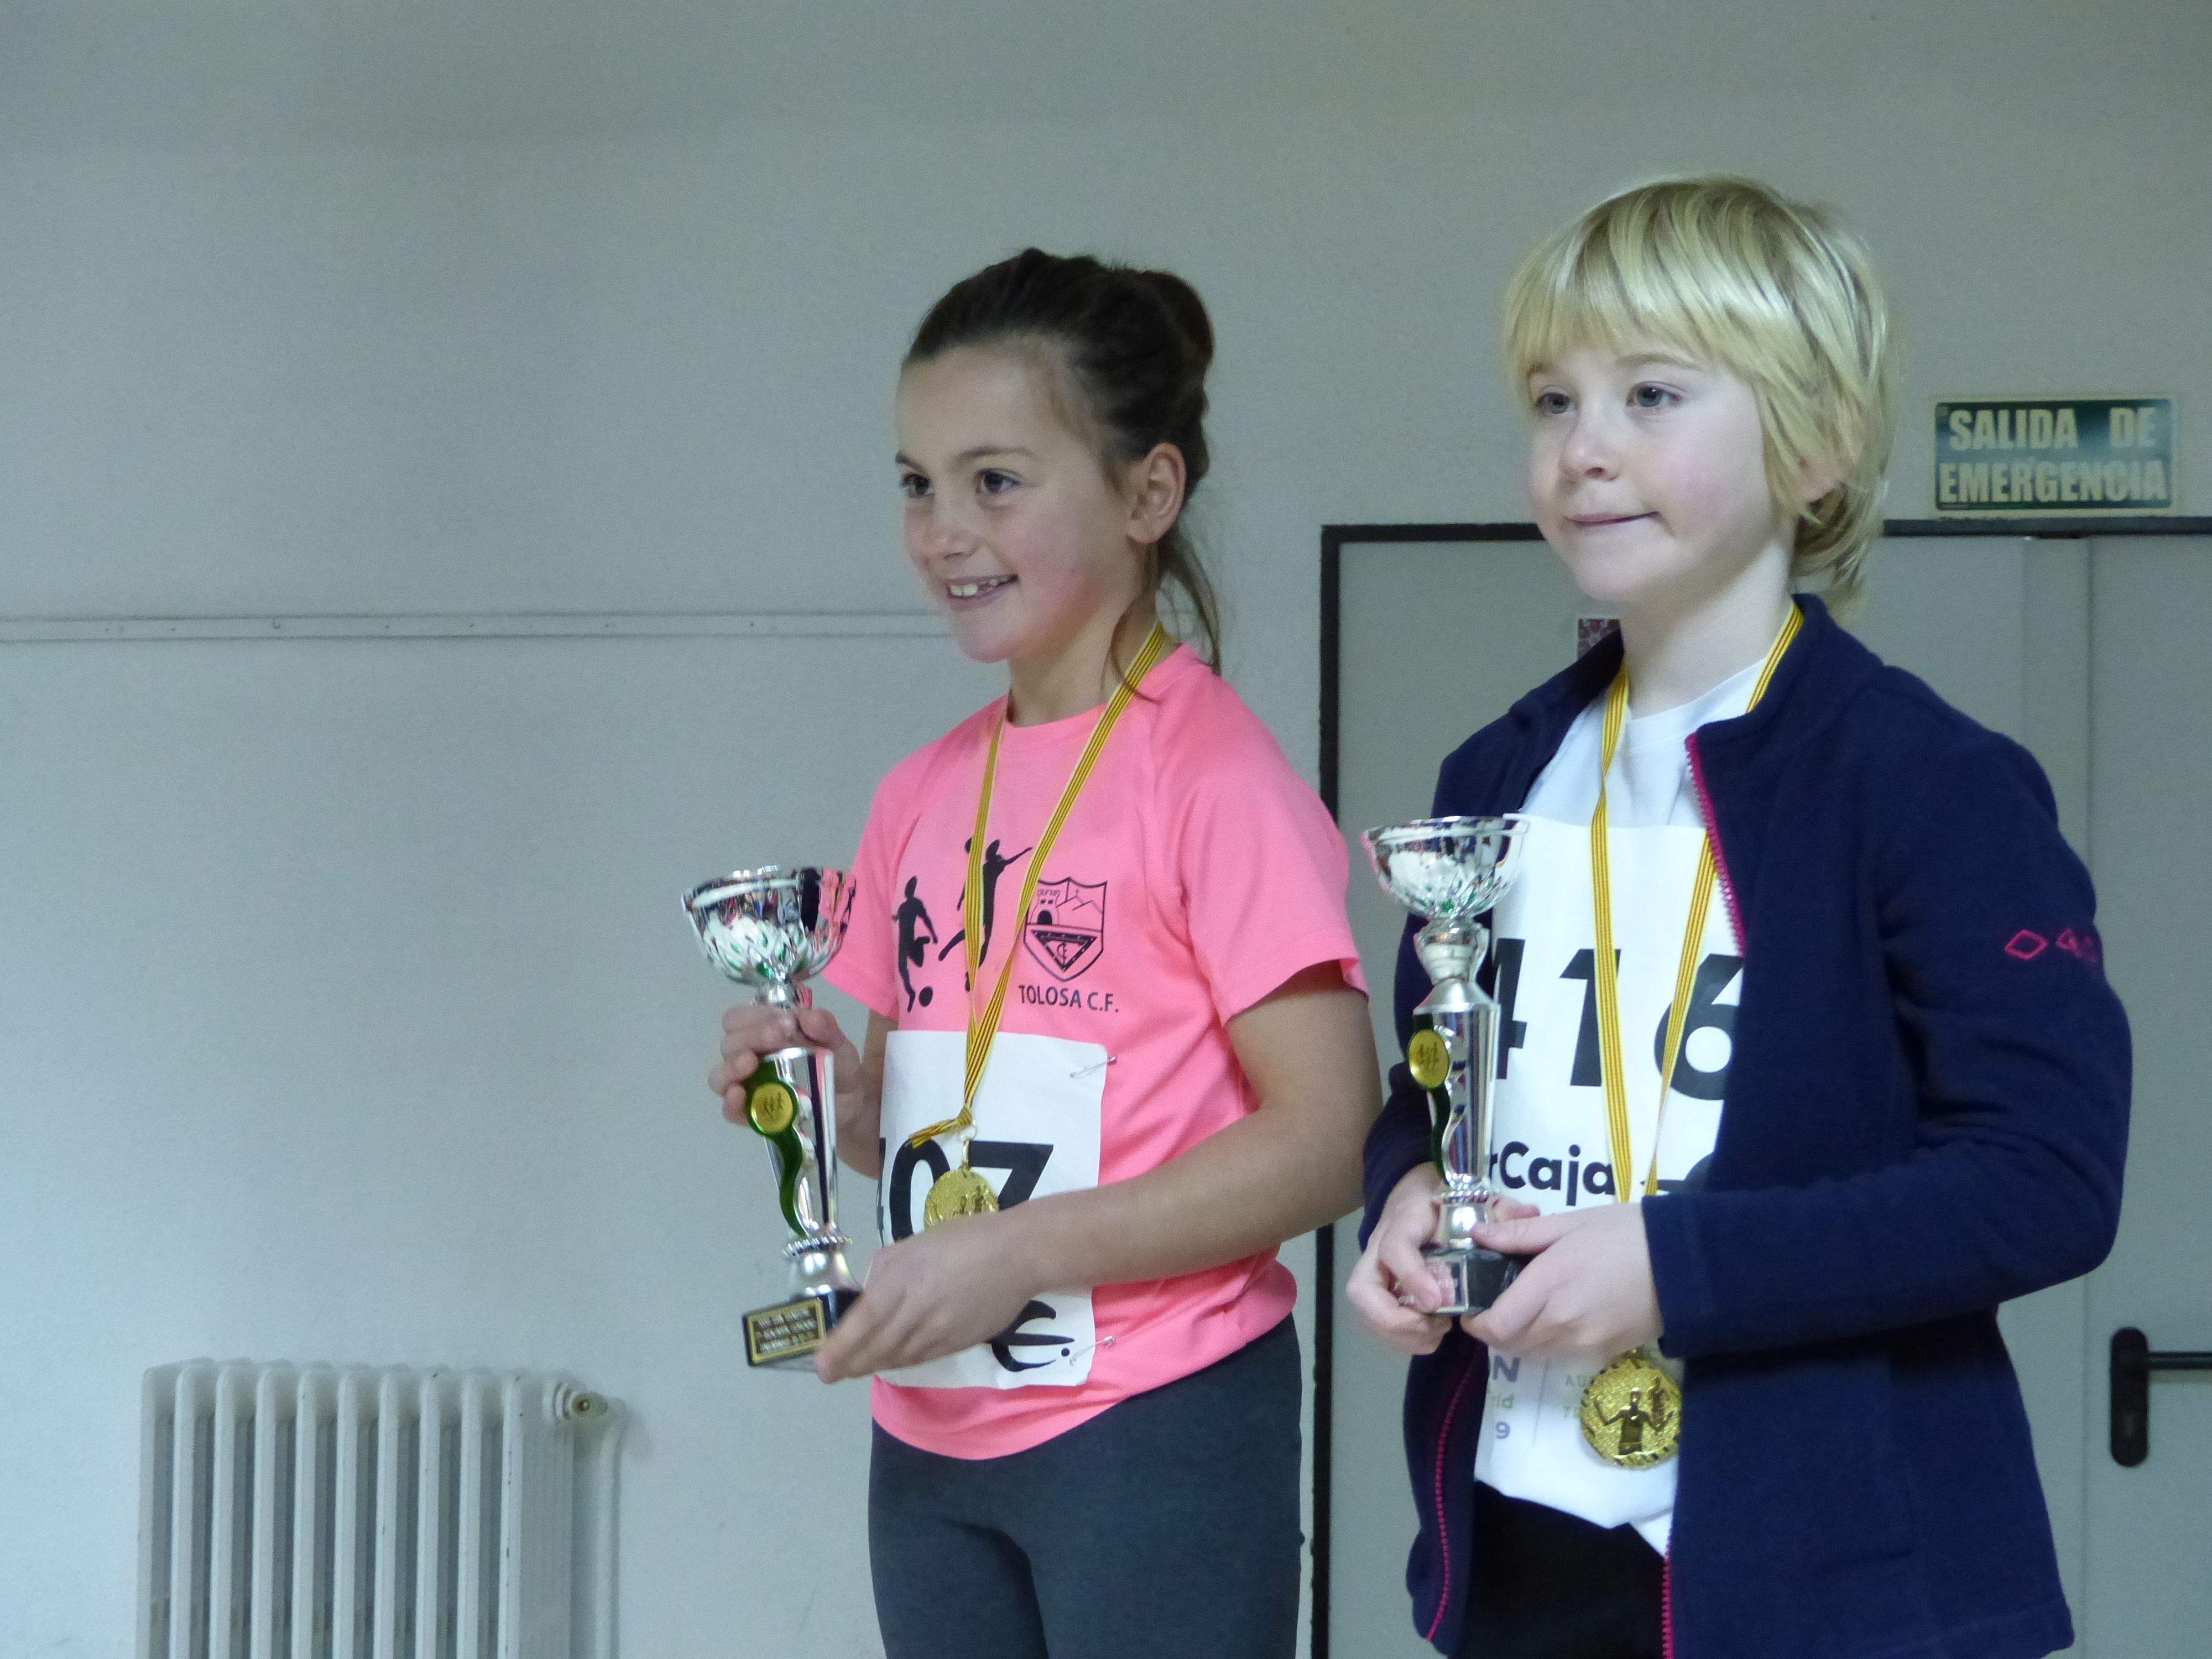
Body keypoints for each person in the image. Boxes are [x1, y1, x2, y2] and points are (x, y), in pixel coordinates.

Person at [1347, 177, 2130, 1659]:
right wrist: (1402, 1193)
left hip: (1838, 1590)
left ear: (1819, 446)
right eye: (1552, 398)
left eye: (1651, 394)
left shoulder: (1932, 784)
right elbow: (1430, 1083)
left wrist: (1675, 1267)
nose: (1585, 449)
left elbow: (2046, 1179)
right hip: (1520, 1548)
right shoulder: (1495, 776)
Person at [709, 248, 1380, 1659]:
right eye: (915, 482)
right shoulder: (919, 791)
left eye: (995, 480)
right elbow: (918, 1126)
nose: (945, 529)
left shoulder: (1213, 777)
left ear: (1148, 495)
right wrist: (818, 1098)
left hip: (1152, 1424)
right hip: (936, 1425)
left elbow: (1329, 1140)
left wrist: (1016, 1251)